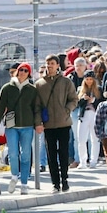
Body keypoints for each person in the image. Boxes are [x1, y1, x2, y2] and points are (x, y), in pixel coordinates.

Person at [0, 62, 39, 194]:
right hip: (11, 126)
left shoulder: (32, 89)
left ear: (28, 73)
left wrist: (38, 124)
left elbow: (36, 109)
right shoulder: (7, 88)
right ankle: (14, 176)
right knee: (13, 153)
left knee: (26, 155)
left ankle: (24, 183)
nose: (22, 72)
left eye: (25, 70)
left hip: (27, 126)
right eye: (20, 70)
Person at [36, 55, 79, 193]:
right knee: (51, 155)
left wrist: (67, 110)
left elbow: (74, 99)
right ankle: (55, 183)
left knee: (64, 153)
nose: (50, 66)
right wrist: (38, 122)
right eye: (48, 63)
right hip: (48, 124)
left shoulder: (66, 82)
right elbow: (36, 106)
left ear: (58, 65)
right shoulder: (39, 84)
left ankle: (65, 180)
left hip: (64, 123)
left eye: (52, 63)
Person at [76, 71, 102, 169]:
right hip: (84, 115)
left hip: (94, 114)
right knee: (81, 139)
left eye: (91, 79)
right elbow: (76, 103)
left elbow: (101, 101)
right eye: (87, 79)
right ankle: (83, 161)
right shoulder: (80, 89)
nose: (89, 81)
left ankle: (93, 161)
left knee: (95, 139)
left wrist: (93, 100)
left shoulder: (99, 89)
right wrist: (83, 99)